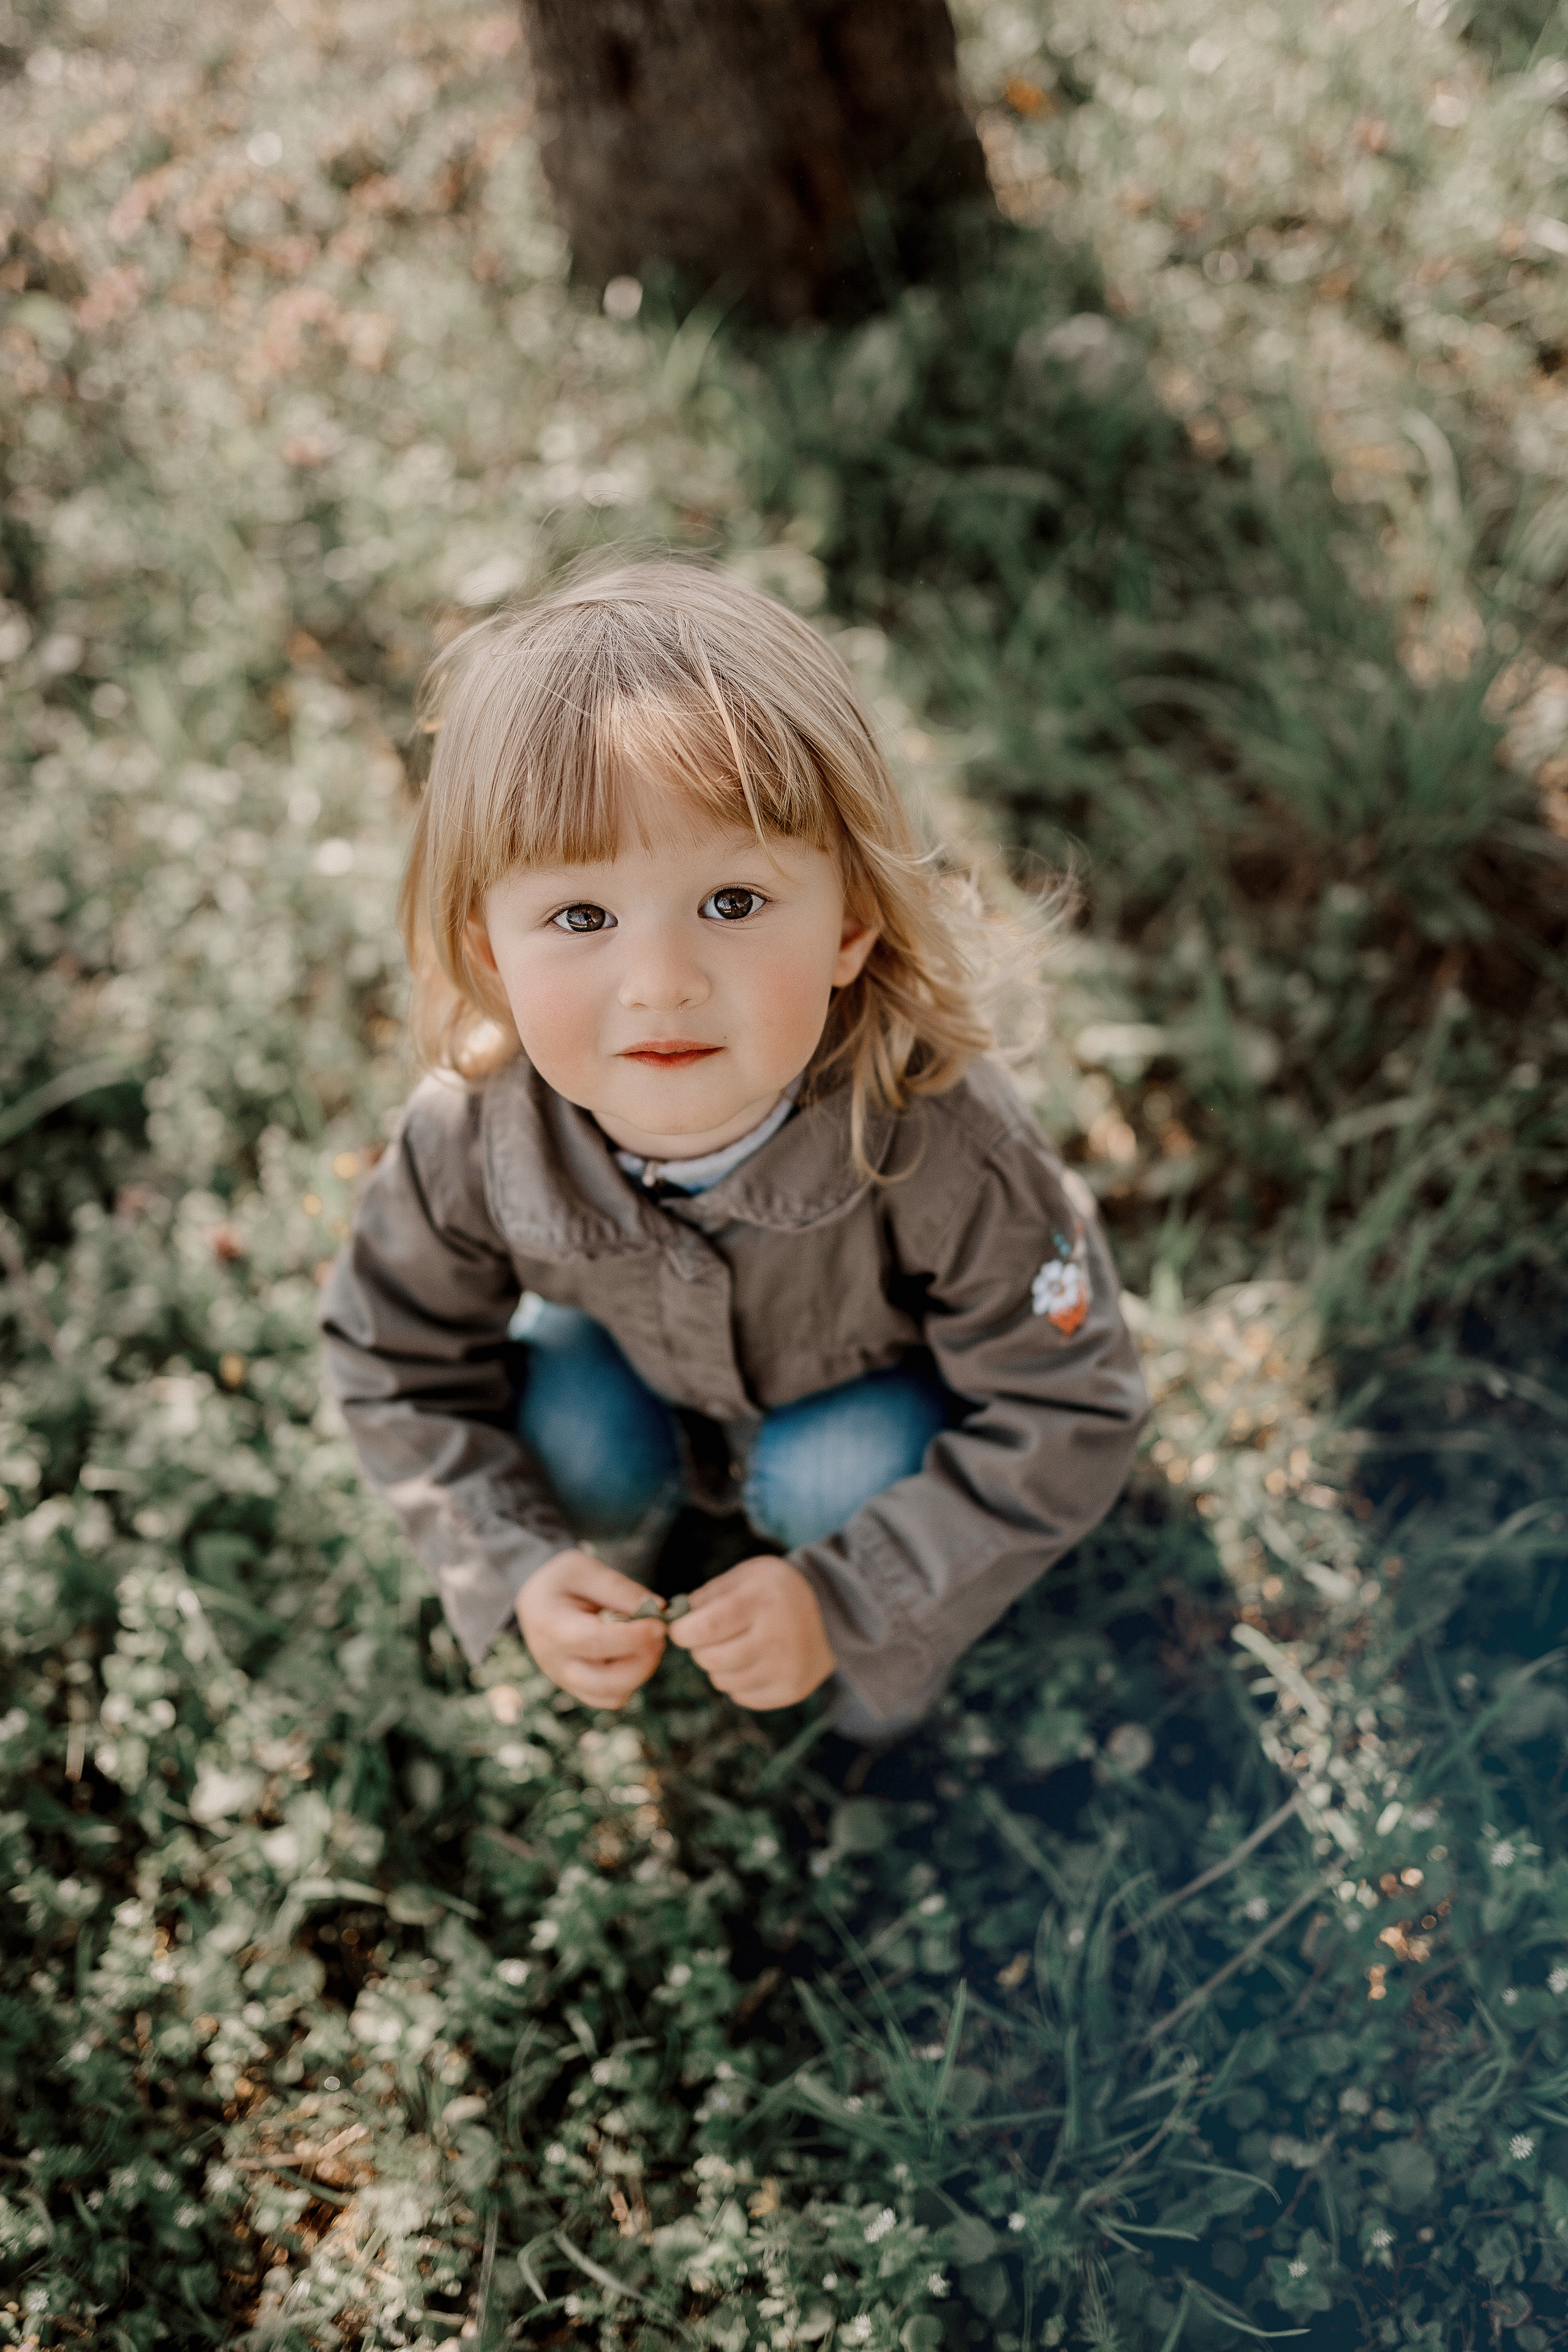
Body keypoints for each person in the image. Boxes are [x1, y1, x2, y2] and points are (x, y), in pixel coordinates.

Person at [320, 559, 1148, 1743]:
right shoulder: (473, 1133)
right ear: (491, 954)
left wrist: (847, 1598)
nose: (660, 983)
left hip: (852, 1419)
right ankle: (621, 1559)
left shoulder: (947, 1143)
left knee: (842, 1472)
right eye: (581, 918)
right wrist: (514, 1563)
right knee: (566, 1437)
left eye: (732, 904)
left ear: (851, 922)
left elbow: (1072, 1405)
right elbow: (387, 1356)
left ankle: (855, 1638)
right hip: (627, 1386)